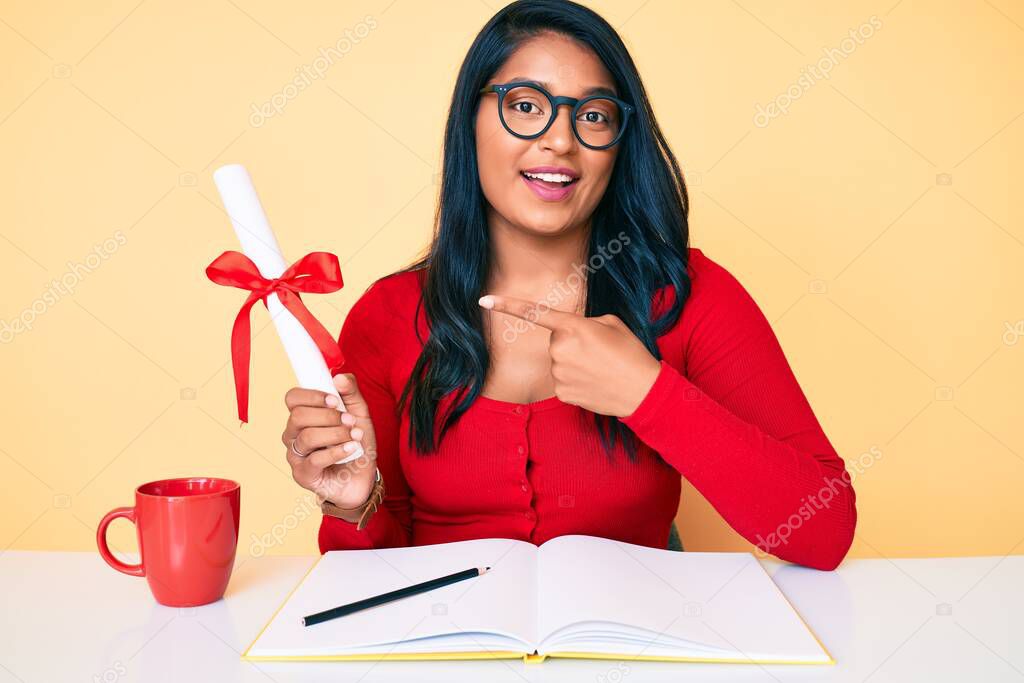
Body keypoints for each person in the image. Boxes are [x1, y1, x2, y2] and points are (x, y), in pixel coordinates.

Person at [280, 0, 856, 571]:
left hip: (632, 652)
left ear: (618, 143)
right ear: (470, 122)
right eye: (526, 106)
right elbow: (365, 581)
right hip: (453, 653)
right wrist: (353, 504)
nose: (560, 140)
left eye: (594, 115)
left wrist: (648, 393)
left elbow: (824, 531)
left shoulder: (690, 294)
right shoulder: (388, 315)